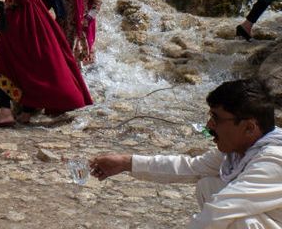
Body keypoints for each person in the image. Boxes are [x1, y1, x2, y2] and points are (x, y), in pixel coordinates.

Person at [91, 79, 282, 228]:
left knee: (239, 219)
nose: (209, 126)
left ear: (249, 128)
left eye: (216, 118)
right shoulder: (239, 150)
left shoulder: (272, 160)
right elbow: (191, 168)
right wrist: (125, 163)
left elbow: (222, 209)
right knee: (208, 185)